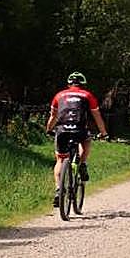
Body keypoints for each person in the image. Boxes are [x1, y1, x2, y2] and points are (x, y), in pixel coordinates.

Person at [45, 72, 108, 208]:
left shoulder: (59, 95)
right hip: (80, 130)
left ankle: (58, 190)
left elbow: (53, 116)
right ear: (82, 85)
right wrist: (103, 133)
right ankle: (82, 164)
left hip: (62, 130)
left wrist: (49, 129)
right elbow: (97, 116)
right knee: (86, 141)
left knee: (60, 160)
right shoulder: (87, 95)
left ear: (69, 84)